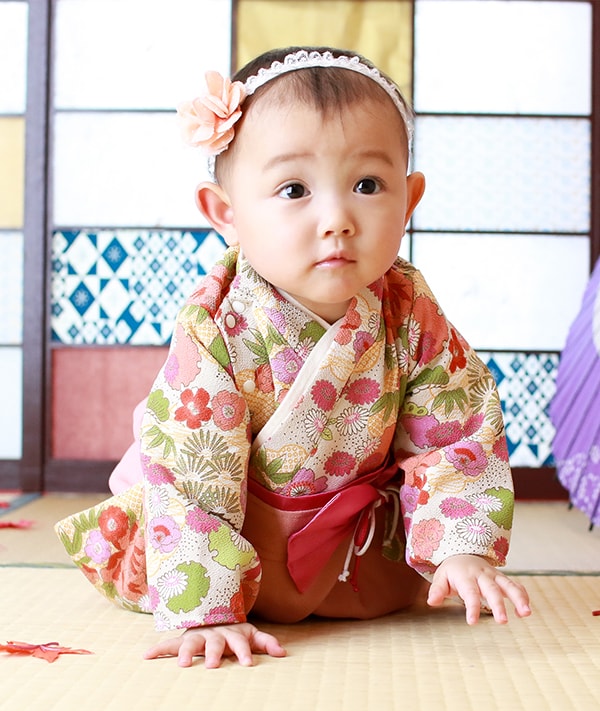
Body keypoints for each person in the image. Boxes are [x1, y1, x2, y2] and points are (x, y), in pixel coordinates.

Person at [55, 46, 531, 669]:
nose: (337, 219)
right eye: (293, 189)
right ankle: (215, 594)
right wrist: (210, 611)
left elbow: (455, 436)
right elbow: (193, 474)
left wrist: (463, 547)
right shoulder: (217, 327)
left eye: (367, 184)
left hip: (350, 543)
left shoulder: (410, 311)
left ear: (409, 199)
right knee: (191, 505)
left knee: (407, 583)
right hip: (233, 528)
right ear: (226, 213)